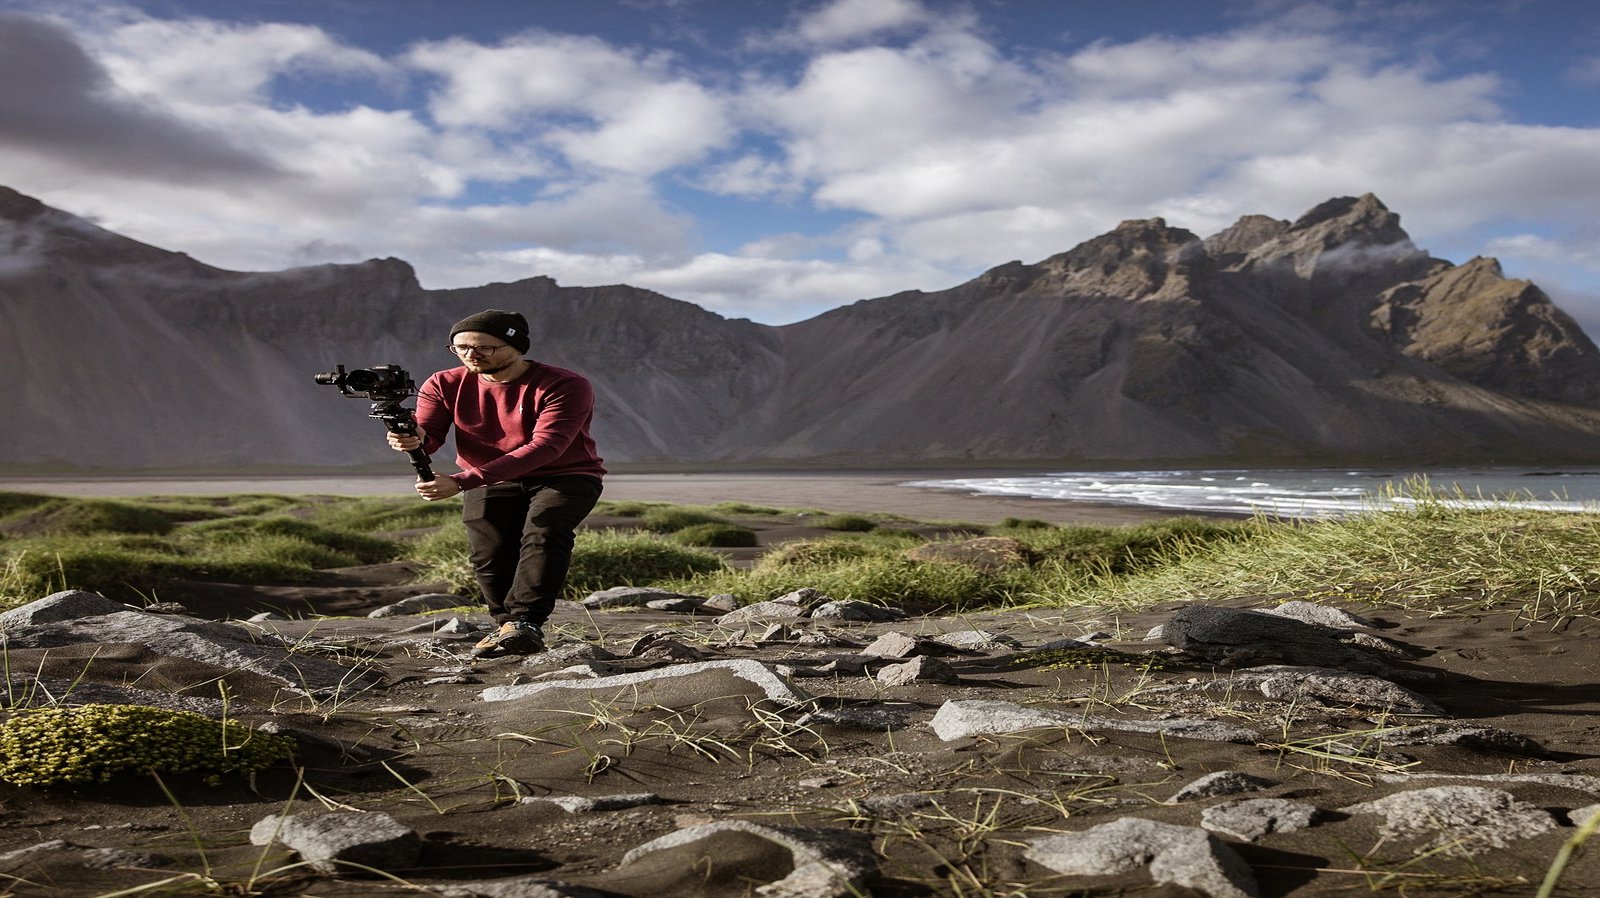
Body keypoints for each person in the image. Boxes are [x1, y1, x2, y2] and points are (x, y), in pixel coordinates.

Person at [388, 309, 605, 659]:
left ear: (515, 346)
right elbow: (430, 439)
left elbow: (546, 446)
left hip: (565, 475)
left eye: (484, 348)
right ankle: (507, 628)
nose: (471, 355)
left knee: (545, 531)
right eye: (460, 348)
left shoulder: (565, 384)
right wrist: (411, 438)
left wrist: (461, 481)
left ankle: (525, 622)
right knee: (489, 552)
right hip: (490, 477)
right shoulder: (443, 383)